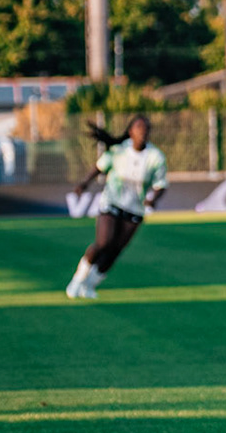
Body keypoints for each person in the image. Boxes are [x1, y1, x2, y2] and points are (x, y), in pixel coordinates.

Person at [66, 115, 167, 300]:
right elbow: (99, 167)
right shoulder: (119, 151)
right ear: (130, 131)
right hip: (111, 203)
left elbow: (161, 184)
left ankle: (90, 285)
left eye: (146, 128)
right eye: (138, 127)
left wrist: (153, 199)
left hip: (135, 210)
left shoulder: (155, 157)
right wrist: (84, 184)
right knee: (104, 243)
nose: (142, 131)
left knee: (115, 250)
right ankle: (78, 279)